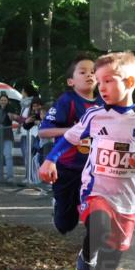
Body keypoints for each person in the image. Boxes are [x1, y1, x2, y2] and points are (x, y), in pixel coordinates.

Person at [39, 52, 135, 270]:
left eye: (107, 81)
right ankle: (83, 268)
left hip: (126, 198)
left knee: (114, 254)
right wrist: (50, 160)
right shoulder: (94, 115)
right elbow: (68, 139)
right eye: (99, 80)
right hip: (97, 189)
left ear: (129, 82)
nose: (100, 87)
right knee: (99, 227)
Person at [38, 54, 102, 233]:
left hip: (94, 170)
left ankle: (93, 249)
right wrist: (73, 132)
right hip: (67, 169)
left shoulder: (103, 103)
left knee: (96, 218)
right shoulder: (67, 101)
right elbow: (43, 131)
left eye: (93, 72)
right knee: (65, 225)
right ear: (70, 81)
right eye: (82, 72)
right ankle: (60, 206)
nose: (89, 75)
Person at [0, 93, 18, 180]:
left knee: (8, 155)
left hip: (7, 135)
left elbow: (12, 118)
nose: (3, 102)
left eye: (5, 100)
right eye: (2, 100)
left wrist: (9, 112)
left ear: (8, 101)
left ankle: (10, 176)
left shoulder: (10, 109)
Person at [21, 97, 44, 184]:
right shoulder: (34, 116)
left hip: (48, 142)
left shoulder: (47, 114)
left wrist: (40, 122)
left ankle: (45, 184)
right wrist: (26, 122)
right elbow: (26, 126)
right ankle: (37, 181)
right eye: (33, 106)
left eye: (37, 106)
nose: (35, 108)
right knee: (35, 160)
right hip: (39, 142)